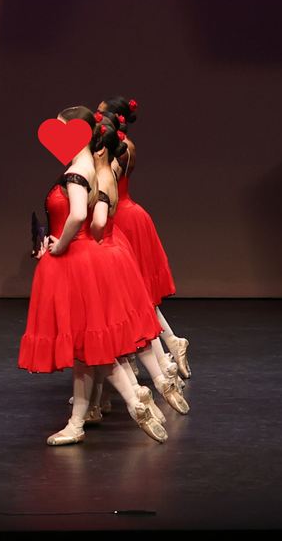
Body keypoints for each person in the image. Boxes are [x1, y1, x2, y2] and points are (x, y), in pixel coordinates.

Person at [19, 106, 167, 445]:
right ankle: (87, 418)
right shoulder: (93, 168)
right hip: (86, 258)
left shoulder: (76, 173)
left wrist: (59, 246)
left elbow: (76, 215)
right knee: (88, 348)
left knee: (89, 346)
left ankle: (131, 401)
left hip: (75, 260)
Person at [88, 113, 189, 422]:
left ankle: (153, 371)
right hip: (123, 221)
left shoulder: (115, 156)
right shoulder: (115, 154)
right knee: (135, 304)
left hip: (121, 223)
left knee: (130, 306)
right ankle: (159, 364)